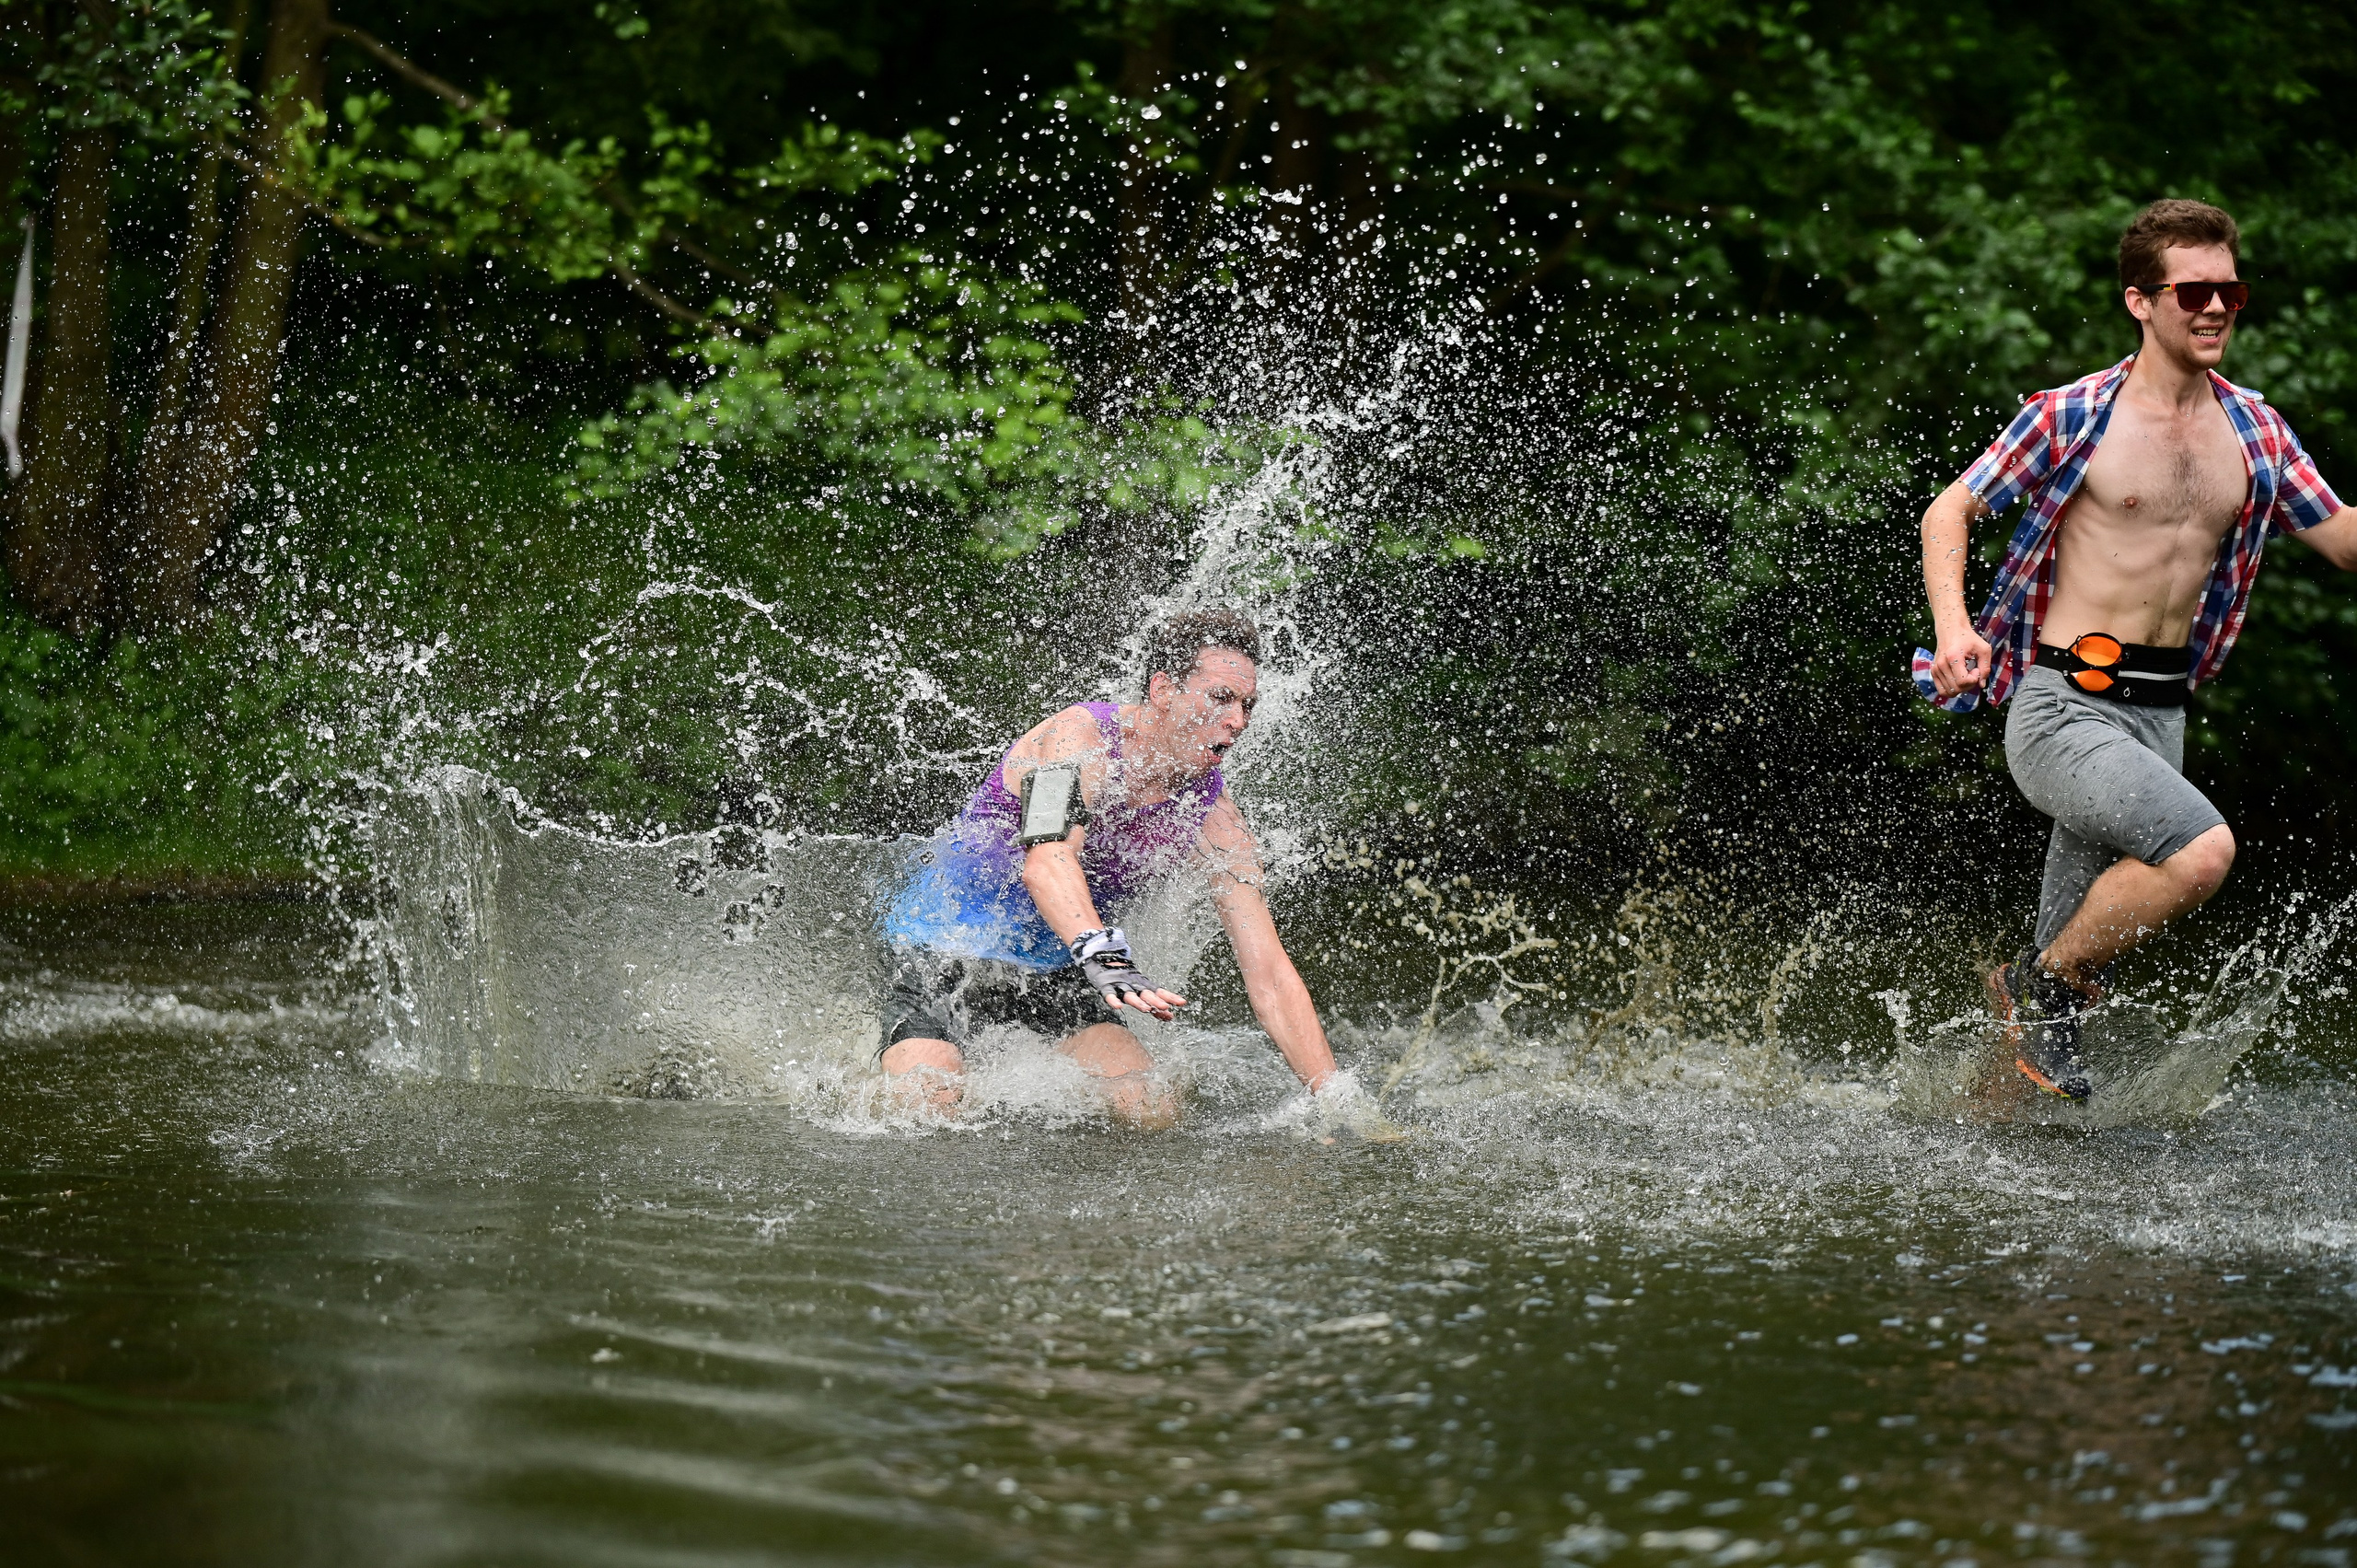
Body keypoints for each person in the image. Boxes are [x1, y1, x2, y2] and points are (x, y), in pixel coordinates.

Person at [1918, 198, 2357, 1102]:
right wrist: (1954, 629)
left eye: (2228, 289)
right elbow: (1948, 509)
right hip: (2061, 708)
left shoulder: (2256, 434)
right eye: (2191, 290)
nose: (2214, 307)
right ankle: (2030, 983)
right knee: (2198, 852)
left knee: (2037, 1059)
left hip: (2157, 719)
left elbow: (2344, 539)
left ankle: (1964, 1137)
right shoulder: (2072, 416)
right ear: (2140, 301)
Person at [877, 608, 1340, 1124]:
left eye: (1247, 706)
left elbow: (1270, 972)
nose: (1238, 721)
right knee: (923, 1108)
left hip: (1055, 974)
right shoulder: (1075, 742)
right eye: (1221, 698)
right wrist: (1111, 964)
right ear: (1163, 690)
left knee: (1151, 1109)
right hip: (943, 953)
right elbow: (1048, 860)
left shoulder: (1213, 816)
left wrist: (1336, 1101)